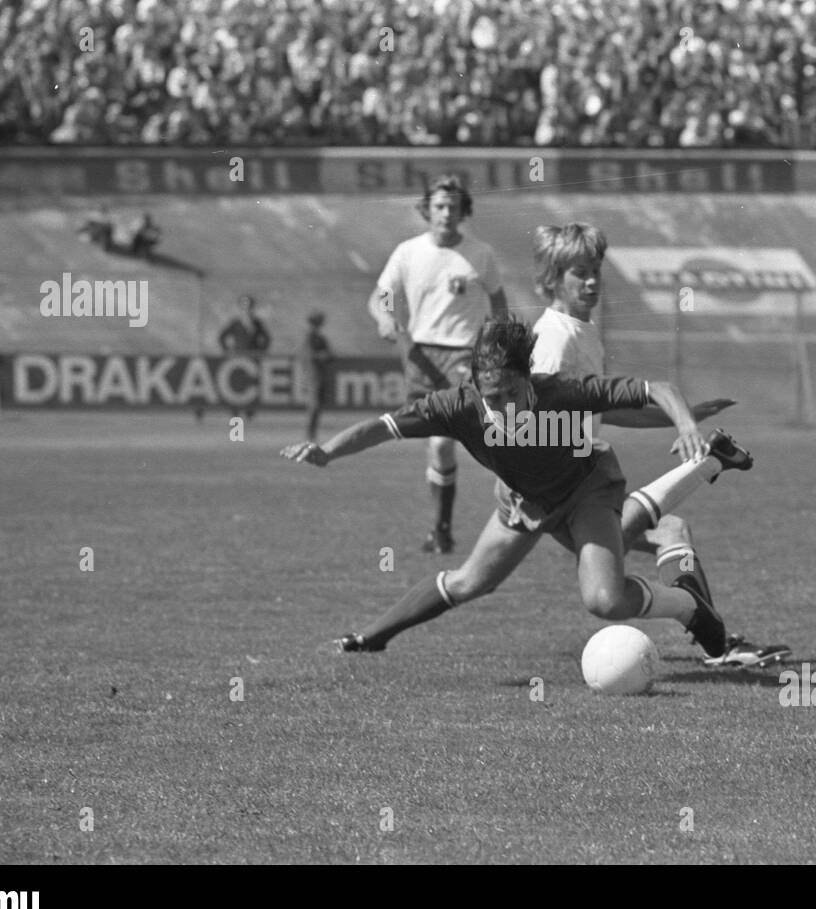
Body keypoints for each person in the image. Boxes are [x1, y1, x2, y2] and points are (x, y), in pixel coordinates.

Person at [280, 320, 761, 666]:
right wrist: (327, 451)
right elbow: (382, 428)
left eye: (513, 394)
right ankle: (369, 639)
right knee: (471, 582)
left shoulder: (564, 393)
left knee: (604, 600)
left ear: (529, 382)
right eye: (493, 399)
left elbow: (657, 388)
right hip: (524, 501)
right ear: (474, 388)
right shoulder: (455, 406)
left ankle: (689, 607)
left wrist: (685, 422)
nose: (505, 407)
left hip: (586, 489)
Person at [528, 222, 790, 667]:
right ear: (552, 277)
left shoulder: (579, 330)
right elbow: (539, 422)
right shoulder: (556, 339)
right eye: (579, 272)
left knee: (672, 531)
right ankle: (716, 639)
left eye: (595, 270)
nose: (592, 281)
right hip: (565, 496)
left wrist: (684, 414)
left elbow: (602, 411)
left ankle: (715, 641)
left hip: (575, 491)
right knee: (603, 596)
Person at [368, 174, 509, 555]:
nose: (447, 213)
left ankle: (512, 509)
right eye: (440, 206)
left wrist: (495, 342)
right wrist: (385, 318)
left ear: (464, 211)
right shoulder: (407, 252)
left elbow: (498, 302)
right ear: (427, 209)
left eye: (454, 207)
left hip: (464, 355)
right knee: (437, 446)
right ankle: (441, 530)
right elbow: (380, 296)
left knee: (447, 442)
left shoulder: (481, 254)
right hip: (421, 356)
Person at [218, 296, 272, 418]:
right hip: (238, 359)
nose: (247, 309)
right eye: (244, 306)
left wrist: (261, 351)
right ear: (240, 307)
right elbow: (222, 337)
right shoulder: (235, 323)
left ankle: (250, 411)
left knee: (252, 384)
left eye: (249, 306)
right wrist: (227, 351)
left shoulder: (257, 323)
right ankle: (235, 412)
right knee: (236, 384)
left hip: (253, 358)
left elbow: (267, 338)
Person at [301, 311, 334, 442]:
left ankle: (312, 433)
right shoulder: (309, 338)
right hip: (312, 376)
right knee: (314, 405)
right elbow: (309, 356)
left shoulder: (320, 338)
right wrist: (322, 356)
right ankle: (310, 434)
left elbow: (329, 355)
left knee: (318, 406)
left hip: (320, 375)